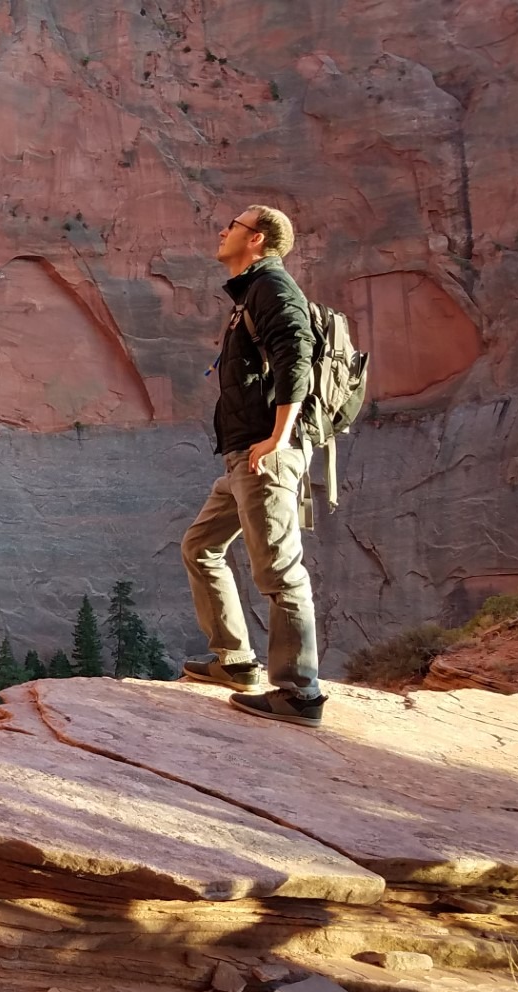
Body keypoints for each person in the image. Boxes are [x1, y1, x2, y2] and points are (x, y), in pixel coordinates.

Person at [178, 205, 327, 726]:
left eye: (233, 226)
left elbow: (296, 356)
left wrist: (278, 437)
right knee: (200, 547)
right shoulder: (251, 292)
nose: (223, 231)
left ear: (257, 238)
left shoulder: (272, 288)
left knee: (280, 572)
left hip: (266, 453)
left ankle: (299, 693)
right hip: (244, 455)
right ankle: (236, 661)